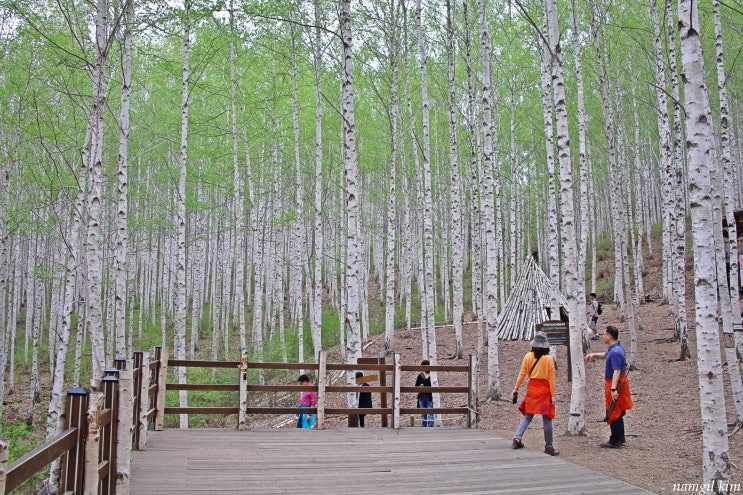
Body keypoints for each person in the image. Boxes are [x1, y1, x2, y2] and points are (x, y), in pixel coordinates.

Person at [511, 331, 559, 456]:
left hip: (532, 390)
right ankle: (549, 446)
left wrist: (516, 388)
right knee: (547, 418)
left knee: (528, 415)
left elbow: (522, 373)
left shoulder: (528, 356)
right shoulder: (548, 359)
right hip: (544, 393)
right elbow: (551, 379)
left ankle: (517, 438)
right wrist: (553, 395)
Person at [585, 325, 633, 448]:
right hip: (614, 381)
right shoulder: (616, 348)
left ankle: (615, 439)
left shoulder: (616, 352)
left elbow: (616, 371)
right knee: (615, 409)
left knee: (613, 410)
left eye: (605, 334)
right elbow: (607, 355)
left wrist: (613, 389)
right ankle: (620, 437)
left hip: (614, 382)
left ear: (609, 336)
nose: (603, 336)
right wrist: (594, 355)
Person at [415, 360, 434, 427]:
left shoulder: (433, 375)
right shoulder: (420, 375)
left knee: (430, 413)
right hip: (422, 396)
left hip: (430, 396)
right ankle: (423, 427)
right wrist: (420, 387)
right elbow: (416, 386)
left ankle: (431, 428)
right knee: (423, 413)